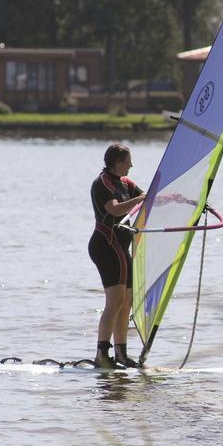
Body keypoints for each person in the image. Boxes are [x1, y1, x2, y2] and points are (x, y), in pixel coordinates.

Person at [89, 143, 145, 368]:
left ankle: (121, 354)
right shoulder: (102, 183)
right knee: (115, 301)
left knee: (127, 300)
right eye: (127, 161)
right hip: (106, 245)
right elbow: (113, 209)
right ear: (116, 162)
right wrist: (138, 201)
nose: (131, 165)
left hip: (120, 247)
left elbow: (145, 195)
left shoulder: (125, 183)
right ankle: (102, 354)